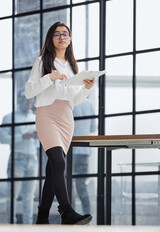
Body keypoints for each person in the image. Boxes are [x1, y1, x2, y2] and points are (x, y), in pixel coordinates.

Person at [24, 21, 95, 225]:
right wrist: (50, 77)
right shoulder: (42, 61)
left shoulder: (73, 66)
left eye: (65, 34)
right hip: (47, 114)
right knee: (59, 162)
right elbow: (29, 91)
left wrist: (86, 88)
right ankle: (66, 211)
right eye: (57, 34)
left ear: (70, 39)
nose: (62, 37)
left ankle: (42, 216)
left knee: (53, 168)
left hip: (66, 117)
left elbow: (76, 99)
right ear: (51, 38)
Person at [0, 91, 39, 224]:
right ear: (19, 100)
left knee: (29, 197)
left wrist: (37, 136)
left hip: (33, 159)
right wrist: (22, 136)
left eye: (30, 101)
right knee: (13, 195)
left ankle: (28, 227)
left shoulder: (35, 117)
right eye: (26, 100)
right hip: (17, 159)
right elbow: (2, 138)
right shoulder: (9, 118)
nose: (28, 103)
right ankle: (11, 225)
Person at [72, 98, 96, 214]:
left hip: (71, 150)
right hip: (84, 151)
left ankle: (69, 219)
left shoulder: (69, 101)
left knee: (67, 188)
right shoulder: (89, 104)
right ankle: (87, 219)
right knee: (81, 188)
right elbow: (93, 128)